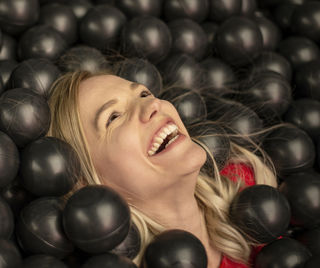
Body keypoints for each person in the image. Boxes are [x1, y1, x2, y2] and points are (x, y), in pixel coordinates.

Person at [46, 70, 278, 268]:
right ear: (87, 184)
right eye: (114, 117)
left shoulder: (247, 184)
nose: (152, 104)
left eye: (144, 93)